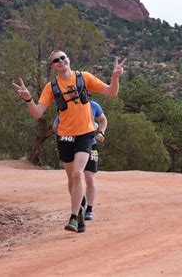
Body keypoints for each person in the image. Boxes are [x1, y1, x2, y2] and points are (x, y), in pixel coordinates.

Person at [13, 50, 124, 233]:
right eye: (56, 60)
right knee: (71, 178)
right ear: (53, 66)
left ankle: (73, 217)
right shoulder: (52, 87)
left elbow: (111, 93)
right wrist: (28, 99)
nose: (61, 61)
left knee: (78, 174)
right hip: (65, 136)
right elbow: (37, 113)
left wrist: (115, 77)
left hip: (85, 134)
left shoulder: (84, 77)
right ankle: (79, 209)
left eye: (63, 58)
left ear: (69, 60)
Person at [53, 100, 107, 221]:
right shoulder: (66, 105)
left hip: (91, 144)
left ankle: (89, 209)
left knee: (89, 177)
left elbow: (103, 120)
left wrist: (101, 132)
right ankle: (80, 205)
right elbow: (55, 125)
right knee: (74, 176)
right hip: (72, 145)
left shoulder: (93, 105)